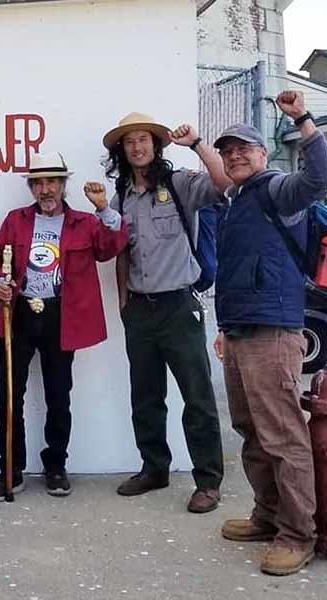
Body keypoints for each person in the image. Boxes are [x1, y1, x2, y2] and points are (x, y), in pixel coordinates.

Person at [213, 91, 327, 576]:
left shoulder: (277, 189)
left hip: (273, 329)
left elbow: (320, 176)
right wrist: (225, 328)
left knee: (282, 435)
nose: (235, 155)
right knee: (250, 431)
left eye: (244, 148)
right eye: (228, 151)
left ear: (263, 155)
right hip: (241, 330)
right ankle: (267, 515)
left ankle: (298, 533)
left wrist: (302, 119)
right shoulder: (236, 200)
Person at [102, 112, 232, 513]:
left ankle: (208, 481)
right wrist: (123, 299)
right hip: (140, 309)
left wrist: (196, 144)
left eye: (143, 139)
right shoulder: (120, 197)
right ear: (121, 151)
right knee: (145, 395)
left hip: (179, 305)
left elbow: (224, 182)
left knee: (197, 396)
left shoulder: (180, 184)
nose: (137, 147)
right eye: (129, 142)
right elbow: (123, 250)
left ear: (156, 145)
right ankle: (154, 468)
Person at [0, 153, 127, 500]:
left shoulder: (83, 222)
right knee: (9, 396)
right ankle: (10, 470)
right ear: (32, 187)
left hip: (62, 316)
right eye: (38, 183)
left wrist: (104, 209)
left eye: (51, 182)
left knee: (58, 396)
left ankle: (56, 466)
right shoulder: (16, 220)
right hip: (18, 314)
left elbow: (110, 248)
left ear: (63, 185)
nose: (45, 189)